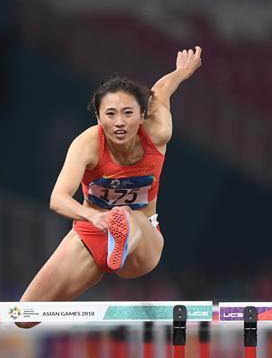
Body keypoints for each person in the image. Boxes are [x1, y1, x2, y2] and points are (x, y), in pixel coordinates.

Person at [18, 47, 202, 321]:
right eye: (111, 114)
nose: (119, 122)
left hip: (143, 237)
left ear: (141, 116)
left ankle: (124, 230)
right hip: (93, 232)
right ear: (98, 117)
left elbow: (162, 88)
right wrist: (95, 216)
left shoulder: (158, 130)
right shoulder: (87, 144)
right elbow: (58, 198)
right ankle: (116, 231)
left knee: (127, 216)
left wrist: (182, 71)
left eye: (128, 113)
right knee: (24, 316)